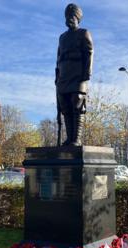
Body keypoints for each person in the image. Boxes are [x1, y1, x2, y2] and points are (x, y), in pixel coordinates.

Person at [55, 3, 93, 146]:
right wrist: (57, 75)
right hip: (64, 74)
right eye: (67, 16)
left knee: (77, 101)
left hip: (78, 73)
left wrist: (87, 72)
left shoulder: (84, 33)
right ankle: (69, 138)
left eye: (71, 16)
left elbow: (89, 53)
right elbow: (58, 57)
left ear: (77, 18)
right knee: (64, 104)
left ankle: (76, 138)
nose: (69, 19)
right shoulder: (62, 37)